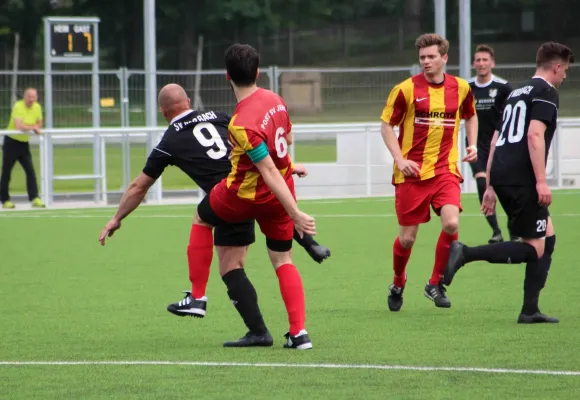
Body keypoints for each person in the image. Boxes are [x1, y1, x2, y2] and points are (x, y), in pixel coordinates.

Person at [99, 83, 327, 348]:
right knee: (281, 253)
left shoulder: (170, 140)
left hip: (230, 197)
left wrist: (117, 217)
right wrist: (290, 165)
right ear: (187, 101)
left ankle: (240, 321)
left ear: (163, 111)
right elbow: (257, 144)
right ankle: (306, 247)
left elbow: (139, 186)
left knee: (229, 263)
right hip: (264, 185)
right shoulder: (220, 116)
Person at [190, 43, 316, 350]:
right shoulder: (277, 101)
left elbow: (267, 170)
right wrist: (291, 177)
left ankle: (196, 295)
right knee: (283, 259)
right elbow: (285, 140)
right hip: (278, 199)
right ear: (258, 72)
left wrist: (297, 213)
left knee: (202, 217)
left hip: (244, 195)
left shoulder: (241, 123)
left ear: (226, 77)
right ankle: (299, 334)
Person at [444, 42, 574, 324]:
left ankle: (530, 309)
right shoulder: (546, 92)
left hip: (502, 173)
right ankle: (465, 253)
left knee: (547, 238)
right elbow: (534, 136)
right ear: (557, 66)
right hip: (522, 178)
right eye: (566, 70)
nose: (565, 77)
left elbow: (494, 140)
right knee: (533, 248)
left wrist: (490, 185)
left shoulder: (516, 92)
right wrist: (541, 181)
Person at [380, 33, 478, 312]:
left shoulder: (460, 88)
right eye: (422, 57)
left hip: (445, 168)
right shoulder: (406, 89)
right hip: (411, 174)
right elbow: (386, 125)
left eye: (431, 56)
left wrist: (472, 144)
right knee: (407, 239)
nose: (425, 61)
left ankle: (435, 283)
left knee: (451, 224)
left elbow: (470, 115)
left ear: (444, 58)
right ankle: (398, 282)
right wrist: (399, 159)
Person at [468, 45, 514, 243]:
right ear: (473, 64)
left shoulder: (504, 87)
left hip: (500, 145)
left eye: (485, 60)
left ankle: (515, 227)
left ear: (492, 63)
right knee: (481, 182)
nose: (481, 64)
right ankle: (496, 231)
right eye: (478, 60)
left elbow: (512, 116)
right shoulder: (467, 88)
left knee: (503, 187)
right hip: (476, 144)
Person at [1, 88, 46, 209]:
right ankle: (5, 200)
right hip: (11, 142)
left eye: (33, 97)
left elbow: (39, 124)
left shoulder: (37, 107)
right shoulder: (18, 106)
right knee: (6, 172)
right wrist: (33, 127)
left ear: (36, 97)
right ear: (25, 97)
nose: (31, 99)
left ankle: (34, 198)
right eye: (29, 97)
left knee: (30, 171)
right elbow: (19, 126)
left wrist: (33, 127)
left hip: (24, 143)